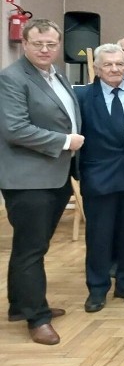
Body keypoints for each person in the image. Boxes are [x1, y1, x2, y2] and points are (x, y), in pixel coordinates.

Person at [0, 19, 83, 344]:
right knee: (31, 249)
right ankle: (37, 317)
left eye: (51, 44)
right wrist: (65, 141)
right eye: (38, 44)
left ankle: (20, 305)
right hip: (28, 179)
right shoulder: (11, 78)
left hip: (55, 175)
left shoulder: (56, 75)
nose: (46, 49)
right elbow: (15, 129)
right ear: (25, 44)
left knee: (30, 246)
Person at [75, 43, 124, 313]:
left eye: (119, 64)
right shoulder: (83, 97)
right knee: (99, 237)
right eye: (108, 64)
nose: (115, 69)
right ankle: (97, 289)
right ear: (96, 67)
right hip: (99, 179)